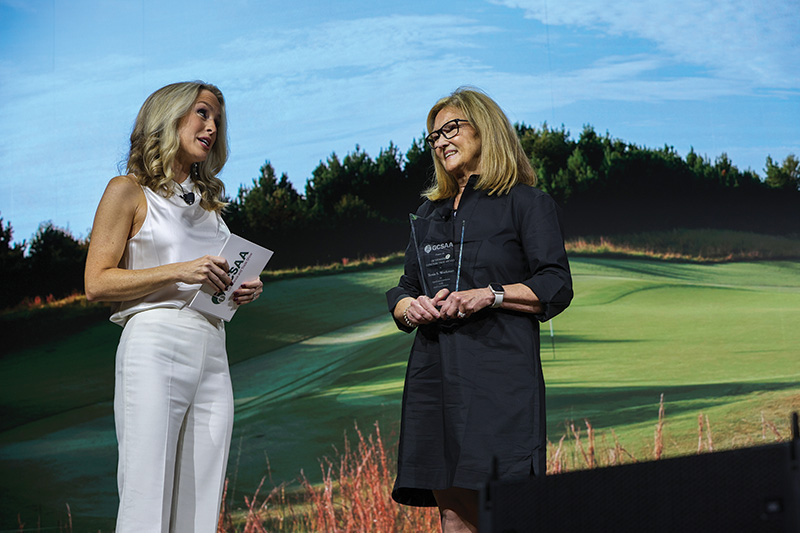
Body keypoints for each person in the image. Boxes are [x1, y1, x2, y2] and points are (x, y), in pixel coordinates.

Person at [386, 87, 573, 532]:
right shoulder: (428, 213)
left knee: (502, 509)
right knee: (452, 511)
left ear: (485, 129)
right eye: (433, 137)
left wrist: (489, 295)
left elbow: (555, 284)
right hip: (434, 375)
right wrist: (409, 308)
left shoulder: (525, 202)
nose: (441, 141)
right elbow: (404, 288)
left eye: (451, 128)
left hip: (498, 376)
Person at [84, 81, 263, 533]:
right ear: (170, 115)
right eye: (203, 113)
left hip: (213, 351)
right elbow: (96, 282)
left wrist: (239, 290)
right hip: (154, 343)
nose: (212, 127)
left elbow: (208, 281)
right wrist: (181, 270)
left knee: (201, 505)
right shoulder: (127, 191)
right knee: (147, 497)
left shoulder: (209, 207)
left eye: (217, 120)